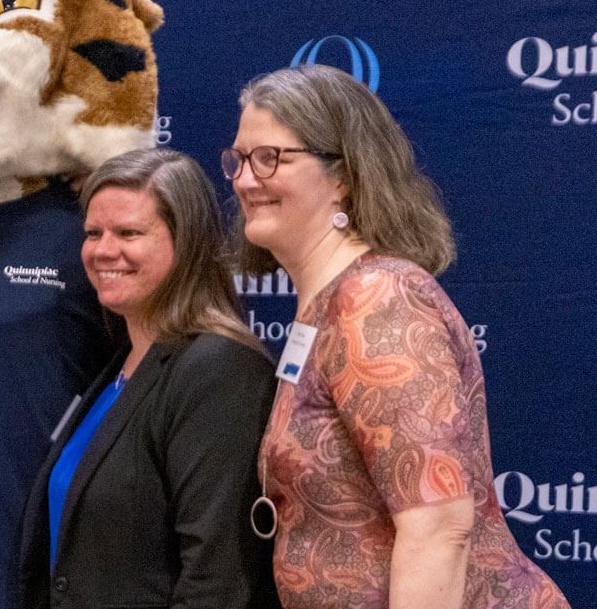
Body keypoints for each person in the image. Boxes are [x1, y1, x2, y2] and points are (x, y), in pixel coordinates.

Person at [225, 64, 571, 608]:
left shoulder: (376, 297)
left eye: (270, 158)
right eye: (239, 160)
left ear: (342, 175)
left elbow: (438, 527)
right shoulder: (322, 305)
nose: (246, 180)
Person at [18, 148, 280, 608]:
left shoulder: (219, 370)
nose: (103, 250)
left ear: (188, 242)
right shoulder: (120, 363)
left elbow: (217, 581)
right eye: (93, 233)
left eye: (129, 233)